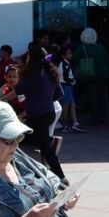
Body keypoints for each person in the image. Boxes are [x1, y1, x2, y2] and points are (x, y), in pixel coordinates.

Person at [18, 43, 67, 181]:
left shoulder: (29, 74)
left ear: (31, 58)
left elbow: (19, 90)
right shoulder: (50, 72)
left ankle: (60, 176)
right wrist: (45, 97)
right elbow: (59, 94)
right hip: (49, 113)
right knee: (40, 142)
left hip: (37, 115)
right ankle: (50, 146)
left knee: (24, 141)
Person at [72, 28, 109, 126]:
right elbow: (108, 60)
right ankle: (104, 116)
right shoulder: (101, 47)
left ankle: (94, 118)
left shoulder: (82, 48)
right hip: (102, 75)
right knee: (102, 95)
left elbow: (74, 59)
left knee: (92, 96)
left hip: (88, 75)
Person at [58, 45, 84, 133]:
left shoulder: (66, 63)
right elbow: (65, 77)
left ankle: (75, 123)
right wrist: (72, 81)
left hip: (68, 86)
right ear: (63, 55)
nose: (70, 55)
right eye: (68, 53)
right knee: (66, 106)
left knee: (72, 104)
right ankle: (65, 125)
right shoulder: (64, 64)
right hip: (66, 86)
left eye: (70, 53)